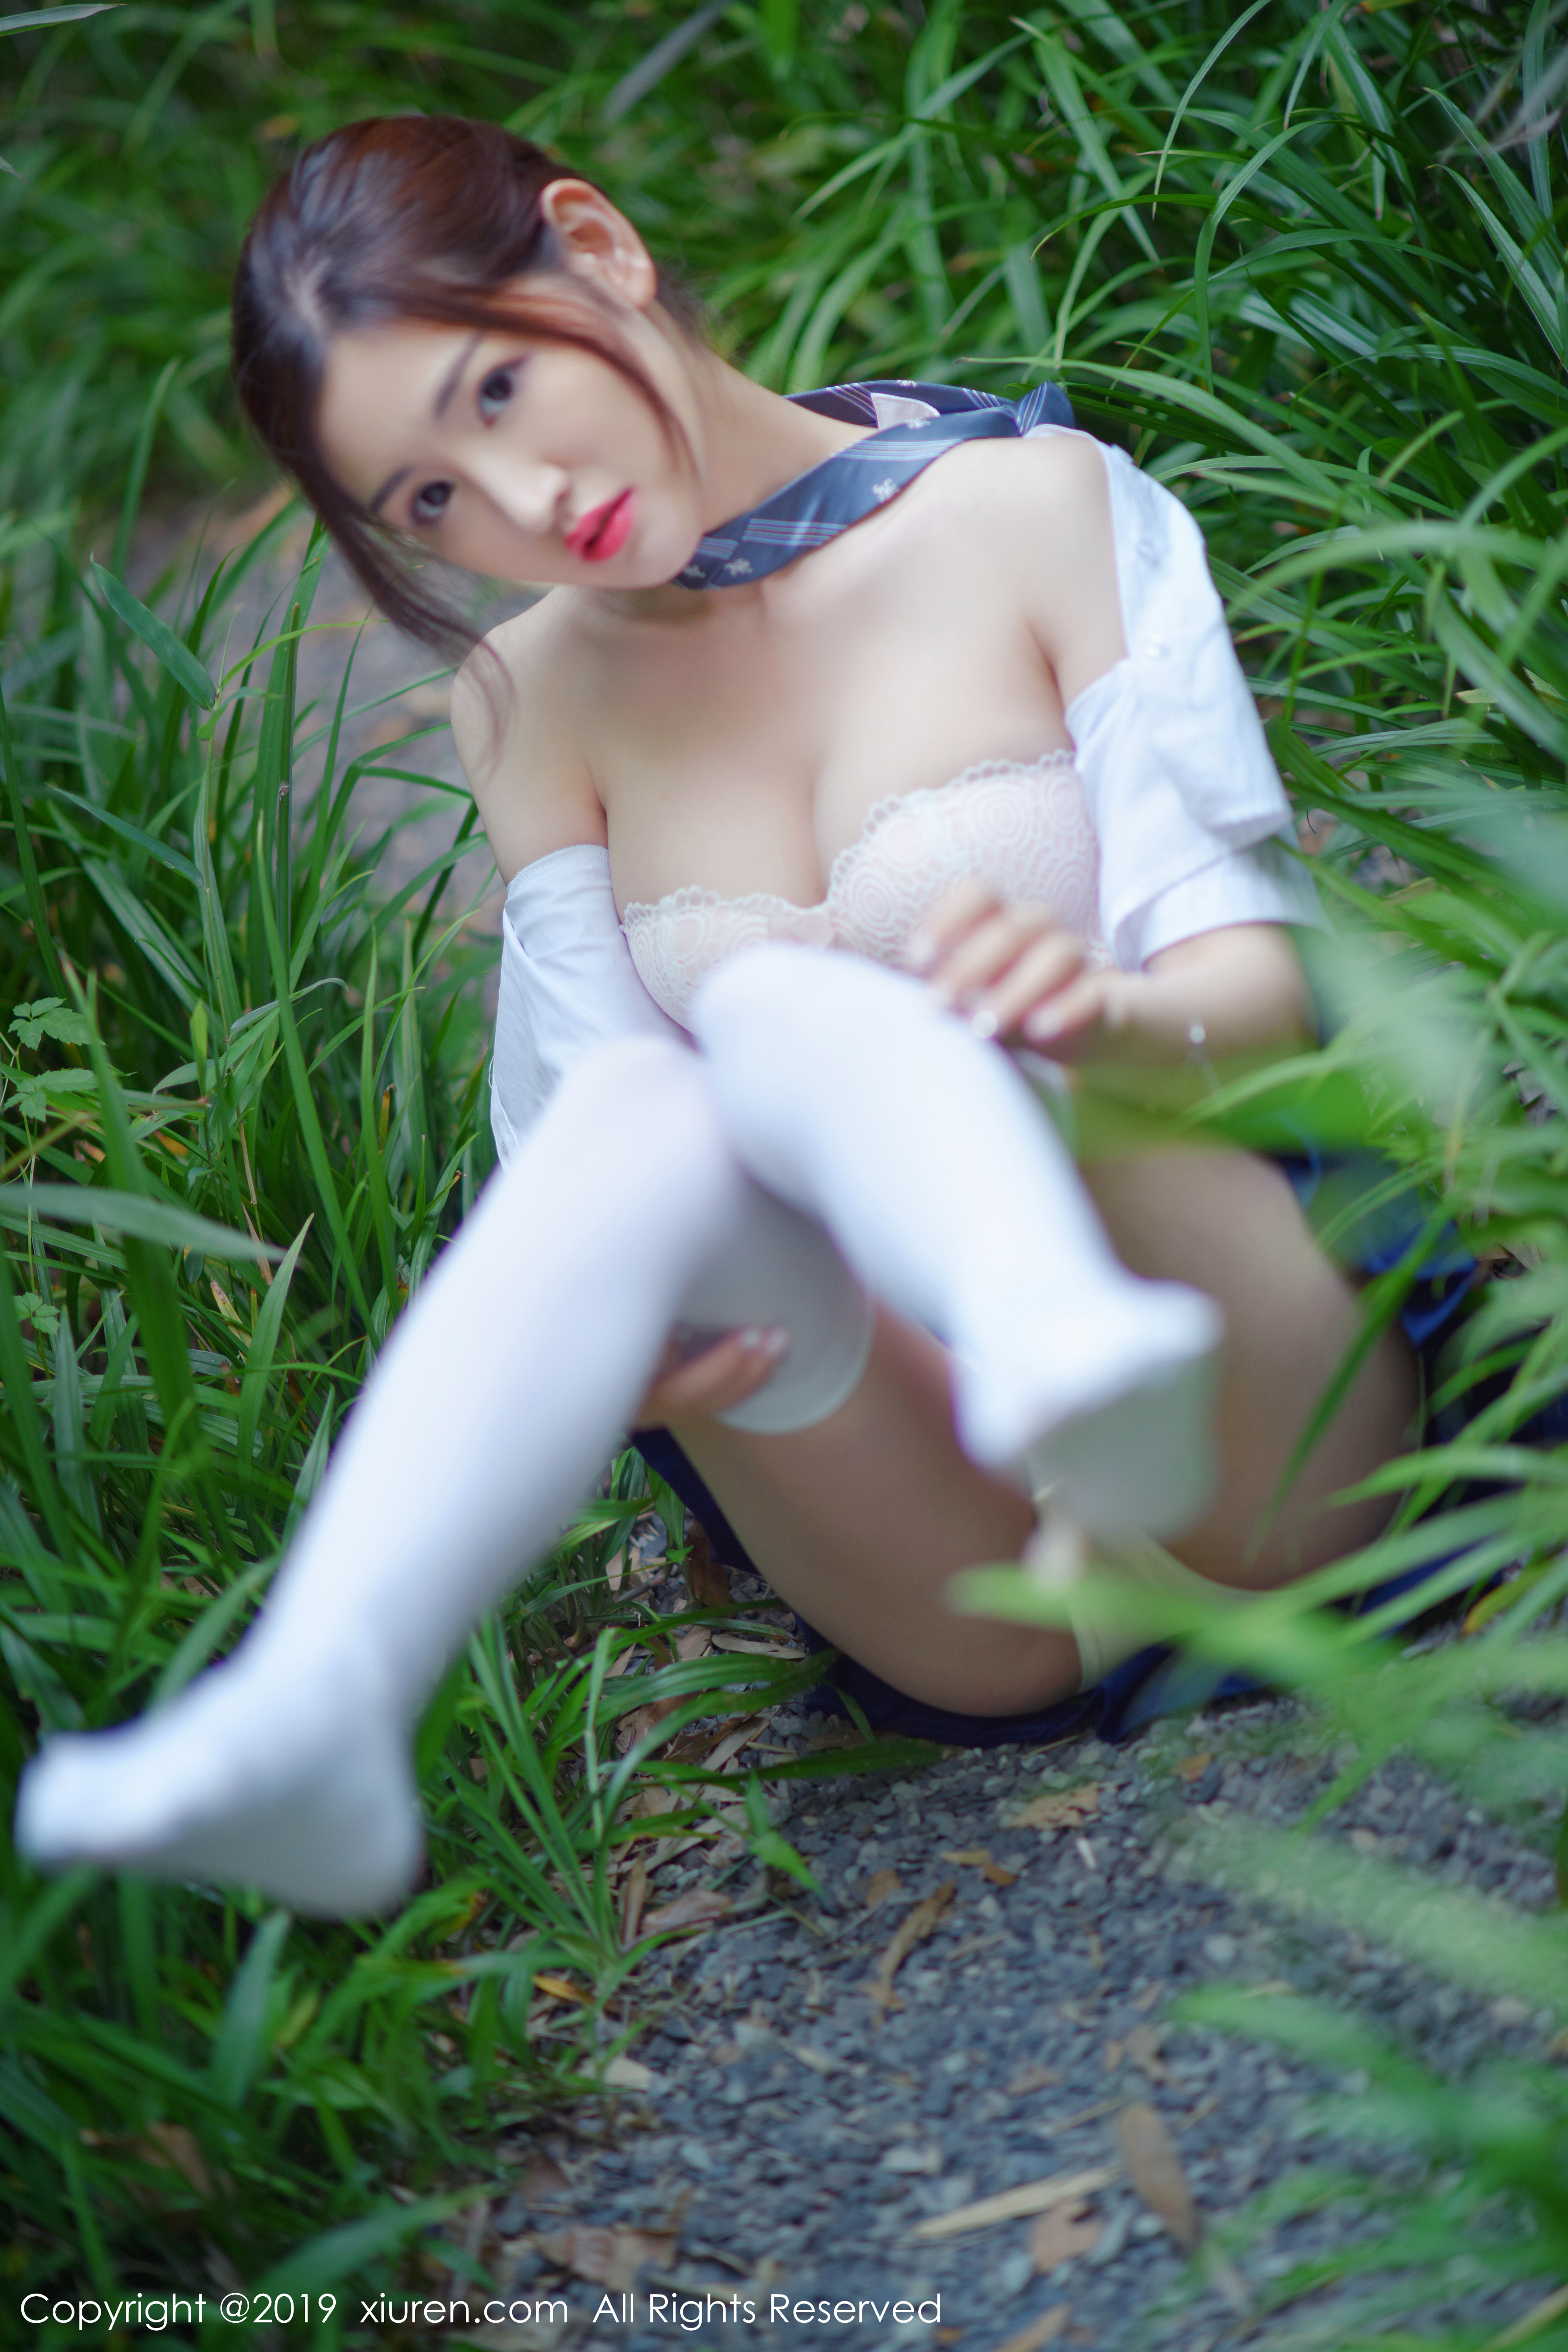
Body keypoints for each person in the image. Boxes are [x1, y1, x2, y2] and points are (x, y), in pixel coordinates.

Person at [14, 116, 1419, 1916]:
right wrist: (634, 1344)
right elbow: (591, 1148)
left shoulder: (1028, 509)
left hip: (1243, 1406)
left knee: (767, 1006)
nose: (521, 505)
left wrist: (1098, 1021)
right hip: (972, 1563)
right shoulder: (531, 697)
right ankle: (318, 1710)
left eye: (499, 390)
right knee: (663, 1100)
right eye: (429, 502)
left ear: (596, 246)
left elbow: (1267, 994)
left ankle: (1069, 1339)